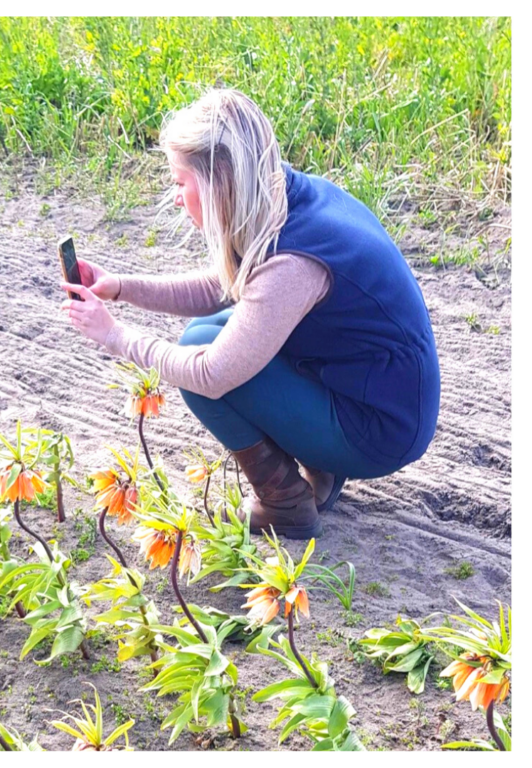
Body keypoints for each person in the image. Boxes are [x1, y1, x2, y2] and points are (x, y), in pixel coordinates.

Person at [61, 88, 440, 540]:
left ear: (220, 179)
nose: (177, 197)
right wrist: (122, 288)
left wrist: (115, 337)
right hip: (372, 390)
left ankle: (286, 503)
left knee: (200, 361)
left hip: (380, 429)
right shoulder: (287, 197)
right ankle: (321, 466)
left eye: (181, 183)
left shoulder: (294, 263)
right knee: (207, 329)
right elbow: (227, 287)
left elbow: (212, 374)